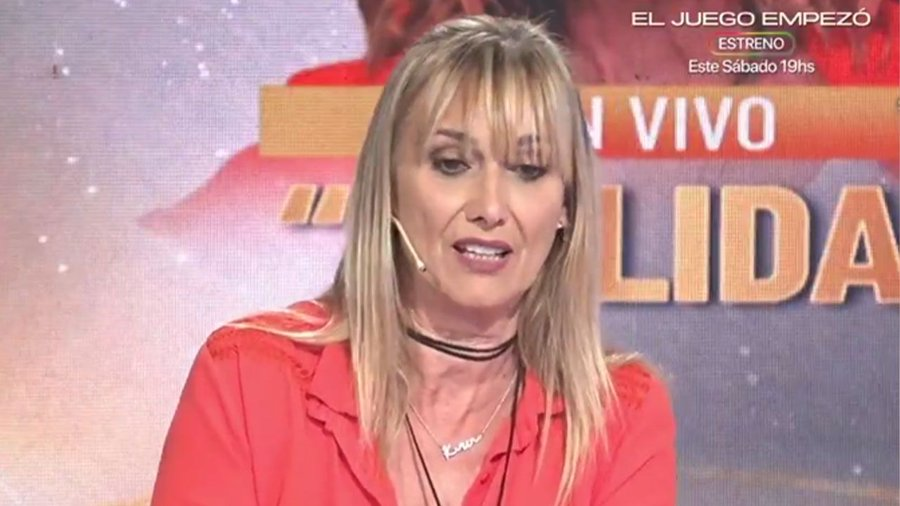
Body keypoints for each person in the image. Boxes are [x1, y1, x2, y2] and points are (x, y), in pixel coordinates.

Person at [151, 14, 676, 506]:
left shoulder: (618, 418)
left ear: (566, 206)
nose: (491, 207)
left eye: (528, 169)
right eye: (451, 164)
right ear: (390, 188)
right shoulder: (249, 381)